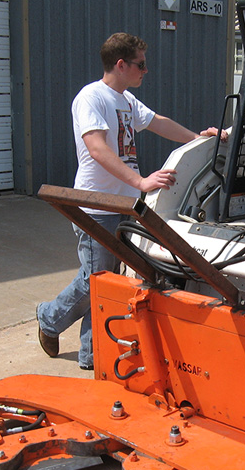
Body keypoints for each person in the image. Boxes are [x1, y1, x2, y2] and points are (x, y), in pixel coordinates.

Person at [37, 32, 225, 370]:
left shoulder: (126, 101)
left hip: (124, 208)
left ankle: (90, 353)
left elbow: (159, 123)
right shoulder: (91, 97)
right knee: (96, 279)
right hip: (96, 207)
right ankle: (51, 319)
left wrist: (199, 139)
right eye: (140, 64)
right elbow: (96, 148)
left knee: (106, 279)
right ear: (121, 64)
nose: (145, 70)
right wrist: (139, 181)